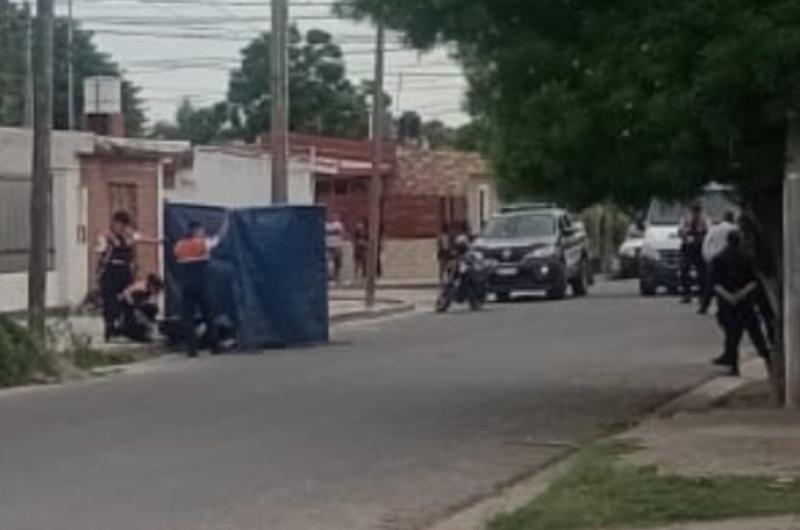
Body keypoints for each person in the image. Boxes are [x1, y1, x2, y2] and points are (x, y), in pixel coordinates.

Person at [710, 230, 771, 376]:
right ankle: (768, 360)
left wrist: (729, 296)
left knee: (731, 336)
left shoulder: (718, 258)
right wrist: (741, 294)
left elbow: (714, 283)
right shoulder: (748, 258)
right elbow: (754, 281)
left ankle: (733, 366)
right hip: (746, 302)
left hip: (727, 303)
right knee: (756, 334)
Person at [96, 211, 160, 342]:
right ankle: (110, 330)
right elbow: (100, 250)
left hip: (125, 270)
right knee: (110, 301)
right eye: (119, 225)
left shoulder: (129, 236)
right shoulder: (106, 236)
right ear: (114, 223)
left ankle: (128, 329)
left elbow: (143, 239)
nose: (122, 228)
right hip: (111, 270)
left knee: (128, 301)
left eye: (124, 225)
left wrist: (158, 241)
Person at [173, 219, 226, 357]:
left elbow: (177, 258)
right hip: (202, 284)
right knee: (209, 315)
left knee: (188, 317)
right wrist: (226, 222)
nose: (203, 232)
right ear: (196, 231)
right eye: (201, 230)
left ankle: (192, 349)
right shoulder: (203, 243)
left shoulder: (179, 245)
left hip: (187, 285)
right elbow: (219, 238)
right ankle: (215, 346)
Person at [699, 211, 738, 314]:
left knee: (711, 284)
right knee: (729, 284)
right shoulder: (735, 229)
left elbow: (706, 243)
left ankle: (704, 306)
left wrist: (707, 257)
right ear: (732, 218)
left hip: (714, 259)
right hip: (730, 260)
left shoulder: (714, 229)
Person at [678, 201, 710, 305]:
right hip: (688, 247)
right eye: (694, 210)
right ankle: (687, 294)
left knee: (702, 272)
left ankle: (702, 295)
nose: (696, 212)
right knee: (684, 270)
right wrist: (686, 237)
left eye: (698, 210)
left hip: (700, 247)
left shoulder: (705, 218)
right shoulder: (686, 218)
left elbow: (708, 232)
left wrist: (699, 239)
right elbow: (680, 230)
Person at [119, 273, 164, 343]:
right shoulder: (141, 287)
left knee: (153, 309)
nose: (156, 290)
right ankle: (130, 330)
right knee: (136, 314)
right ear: (151, 285)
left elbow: (153, 301)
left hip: (139, 302)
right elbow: (126, 292)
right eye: (155, 288)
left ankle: (145, 331)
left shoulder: (152, 290)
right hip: (127, 302)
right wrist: (131, 303)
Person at [326, 214, 346, 284]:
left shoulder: (337, 225)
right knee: (332, 262)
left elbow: (342, 234)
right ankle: (332, 276)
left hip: (334, 245)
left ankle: (334, 277)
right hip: (332, 246)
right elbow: (342, 234)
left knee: (335, 262)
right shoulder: (328, 225)